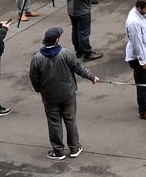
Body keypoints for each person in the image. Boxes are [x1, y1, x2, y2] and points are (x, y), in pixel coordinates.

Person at [29, 26, 98, 160]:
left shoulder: (37, 58)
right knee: (70, 120)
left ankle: (58, 151)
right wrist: (92, 77)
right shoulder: (65, 53)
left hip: (49, 95)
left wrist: (39, 89)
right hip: (67, 94)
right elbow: (78, 68)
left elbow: (34, 77)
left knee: (54, 122)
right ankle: (74, 148)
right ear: (56, 40)